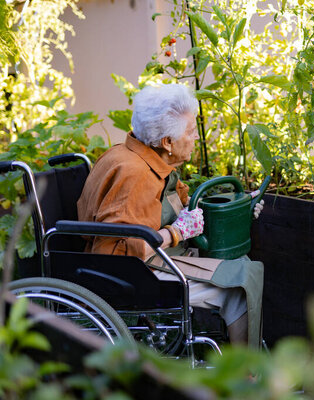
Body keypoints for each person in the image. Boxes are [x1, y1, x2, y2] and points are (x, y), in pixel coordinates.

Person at [77, 83, 264, 347]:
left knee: (237, 262)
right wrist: (177, 232)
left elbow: (182, 209)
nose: (195, 137)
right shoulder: (136, 175)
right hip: (129, 275)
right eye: (190, 131)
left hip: (143, 263)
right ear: (167, 142)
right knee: (239, 285)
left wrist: (238, 209)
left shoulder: (136, 155)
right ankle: (248, 377)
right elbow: (128, 248)